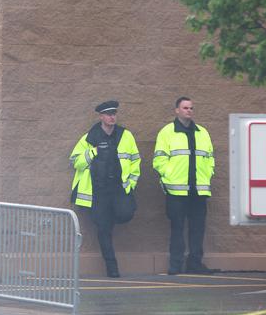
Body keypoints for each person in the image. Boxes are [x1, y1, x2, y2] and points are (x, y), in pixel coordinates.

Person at [69, 100, 140, 278]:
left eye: (114, 113)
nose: (112, 117)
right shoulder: (90, 137)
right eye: (108, 114)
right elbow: (75, 162)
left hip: (118, 190)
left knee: (126, 214)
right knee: (103, 229)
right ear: (101, 117)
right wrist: (92, 152)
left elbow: (135, 161)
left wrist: (130, 184)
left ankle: (110, 218)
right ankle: (112, 267)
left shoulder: (126, 136)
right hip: (98, 193)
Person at [153, 96, 215, 275]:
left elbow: (209, 158)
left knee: (197, 229)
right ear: (177, 110)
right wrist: (168, 175)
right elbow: (159, 159)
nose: (189, 110)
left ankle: (195, 264)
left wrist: (208, 174)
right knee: (177, 229)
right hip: (176, 191)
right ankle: (175, 265)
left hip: (199, 190)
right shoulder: (167, 132)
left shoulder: (202, 132)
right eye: (185, 107)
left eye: (191, 108)